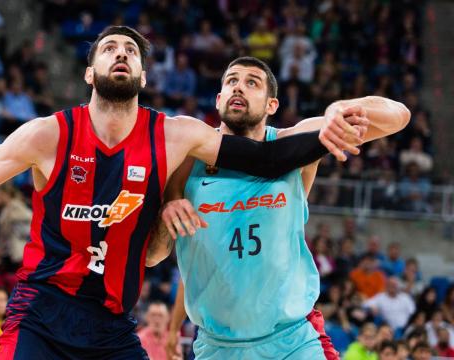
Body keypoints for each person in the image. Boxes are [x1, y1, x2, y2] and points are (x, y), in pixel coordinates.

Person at [0, 26, 360, 358]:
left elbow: (266, 157)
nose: (121, 54)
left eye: (131, 51)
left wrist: (326, 135)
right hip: (43, 311)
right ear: (89, 71)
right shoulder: (47, 134)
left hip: (114, 324)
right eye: (109, 48)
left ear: (143, 75)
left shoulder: (174, 134)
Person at [152, 56, 409, 359]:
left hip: (292, 341)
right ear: (219, 99)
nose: (239, 88)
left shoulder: (295, 142)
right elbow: (160, 258)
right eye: (232, 81)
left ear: (272, 105)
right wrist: (165, 208)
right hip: (218, 346)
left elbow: (399, 115)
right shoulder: (188, 159)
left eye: (252, 83)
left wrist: (341, 109)